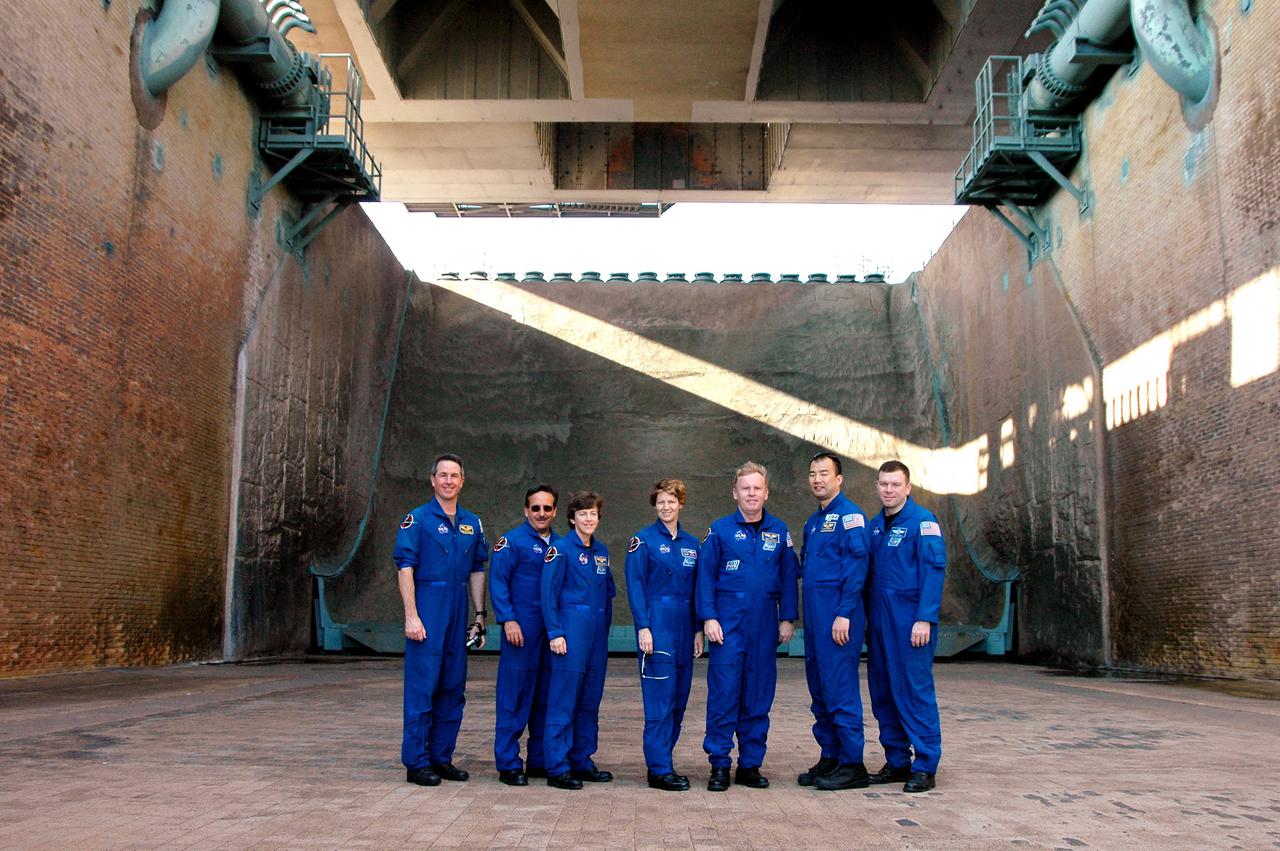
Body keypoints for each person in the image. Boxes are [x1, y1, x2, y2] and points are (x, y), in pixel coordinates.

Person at [696, 461, 799, 791]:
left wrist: (787, 618)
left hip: (765, 627)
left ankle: (750, 765)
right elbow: (705, 578)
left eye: (757, 488)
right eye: (746, 488)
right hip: (727, 628)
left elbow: (788, 579)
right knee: (724, 695)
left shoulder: (780, 532)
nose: (751, 494)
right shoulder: (719, 531)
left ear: (766, 492)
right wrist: (708, 617)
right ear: (735, 492)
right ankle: (720, 764)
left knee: (758, 696)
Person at [393, 453, 489, 786]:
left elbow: (478, 569)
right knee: (422, 687)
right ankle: (416, 761)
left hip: (457, 608)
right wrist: (411, 616)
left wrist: (479, 616)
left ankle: (441, 757)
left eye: (455, 475)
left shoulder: (472, 523)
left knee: (452, 687)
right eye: (442, 475)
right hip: (428, 608)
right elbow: (405, 568)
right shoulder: (416, 520)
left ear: (463, 481)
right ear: (432, 480)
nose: (448, 481)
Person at [865, 460, 946, 793]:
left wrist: (924, 617)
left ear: (908, 487)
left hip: (911, 623)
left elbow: (934, 570)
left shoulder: (923, 523)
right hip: (881, 623)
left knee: (914, 691)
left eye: (895, 485)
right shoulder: (874, 527)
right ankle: (897, 761)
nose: (888, 490)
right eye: (883, 484)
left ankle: (925, 765)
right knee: (883, 692)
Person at [797, 452, 871, 791]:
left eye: (824, 473)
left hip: (839, 619)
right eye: (813, 474)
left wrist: (844, 613)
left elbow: (857, 570)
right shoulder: (813, 523)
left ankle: (853, 763)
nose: (817, 479)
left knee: (840, 689)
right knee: (820, 690)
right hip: (816, 621)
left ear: (839, 479)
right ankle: (831, 756)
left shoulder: (851, 517)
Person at [625, 479, 704, 792]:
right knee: (659, 702)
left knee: (678, 702)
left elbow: (698, 591)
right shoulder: (641, 541)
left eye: (672, 501)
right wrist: (643, 626)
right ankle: (658, 769)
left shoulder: (693, 545)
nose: (666, 507)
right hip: (657, 630)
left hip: (685, 630)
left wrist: (698, 630)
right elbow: (635, 586)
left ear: (681, 503)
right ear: (654, 505)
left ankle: (664, 760)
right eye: (660, 502)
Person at [540, 490, 616, 790]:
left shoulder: (602, 552)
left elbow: (608, 594)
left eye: (593, 514)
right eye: (582, 514)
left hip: (596, 636)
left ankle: (582, 760)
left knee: (589, 701)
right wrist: (555, 632)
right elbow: (548, 595)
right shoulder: (560, 550)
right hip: (570, 634)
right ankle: (557, 766)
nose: (588, 518)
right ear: (572, 518)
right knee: (563, 701)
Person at [489, 484, 559, 786]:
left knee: (546, 694)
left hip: (551, 628)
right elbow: (498, 581)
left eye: (547, 508)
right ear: (526, 510)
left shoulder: (562, 544)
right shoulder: (512, 542)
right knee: (515, 694)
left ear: (555, 511)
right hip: (522, 626)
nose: (541, 513)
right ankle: (508, 762)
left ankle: (539, 760)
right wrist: (508, 620)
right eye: (535, 508)